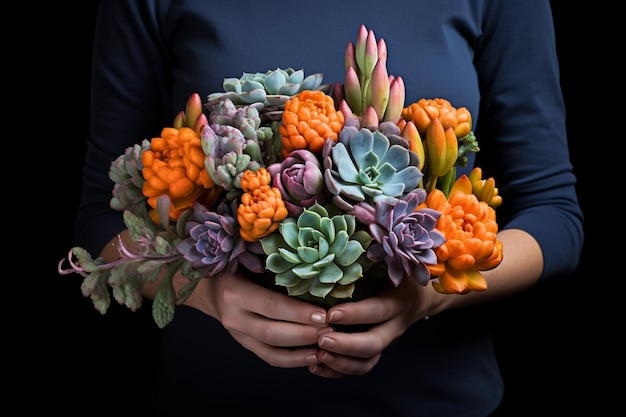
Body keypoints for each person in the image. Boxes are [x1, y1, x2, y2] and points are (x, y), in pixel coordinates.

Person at [75, 1, 584, 416]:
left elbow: (555, 214)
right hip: (213, 400)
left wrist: (429, 297)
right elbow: (101, 219)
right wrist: (207, 293)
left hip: (436, 403)